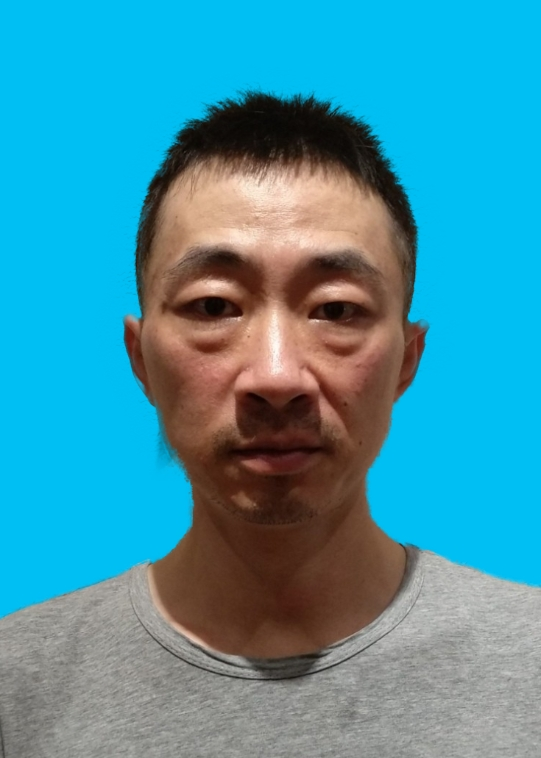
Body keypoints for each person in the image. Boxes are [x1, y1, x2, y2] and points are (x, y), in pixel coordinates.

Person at [1, 92, 540, 757]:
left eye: (335, 310)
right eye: (213, 306)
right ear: (140, 359)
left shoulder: (529, 666)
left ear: (407, 359)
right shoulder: (19, 685)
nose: (277, 376)